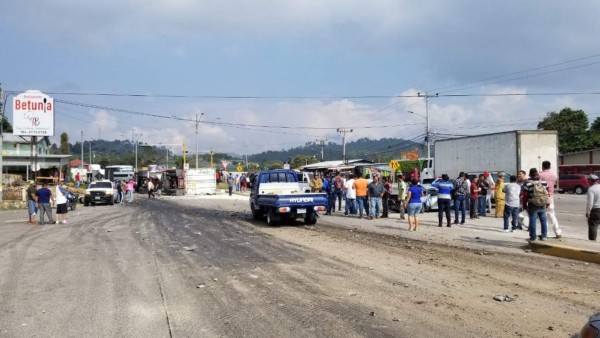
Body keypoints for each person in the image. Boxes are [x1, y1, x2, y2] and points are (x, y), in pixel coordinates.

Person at [523, 168, 549, 241]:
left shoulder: (527, 183)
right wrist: (547, 202)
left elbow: (525, 195)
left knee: (533, 220)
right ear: (537, 174)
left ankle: (533, 236)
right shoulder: (544, 182)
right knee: (543, 219)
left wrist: (524, 205)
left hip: (532, 203)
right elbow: (547, 192)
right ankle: (544, 236)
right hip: (542, 203)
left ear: (530, 174)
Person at [539, 161, 562, 238]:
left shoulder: (540, 175)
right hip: (550, 196)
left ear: (543, 166)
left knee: (543, 215)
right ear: (550, 166)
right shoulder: (554, 175)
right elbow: (554, 183)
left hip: (541, 196)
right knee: (552, 214)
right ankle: (558, 232)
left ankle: (545, 233)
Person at [586, 174, 600, 241]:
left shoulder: (591, 189)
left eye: (588, 180)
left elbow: (590, 202)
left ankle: (592, 242)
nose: (587, 182)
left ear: (591, 181)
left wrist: (588, 212)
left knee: (593, 226)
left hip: (596, 210)